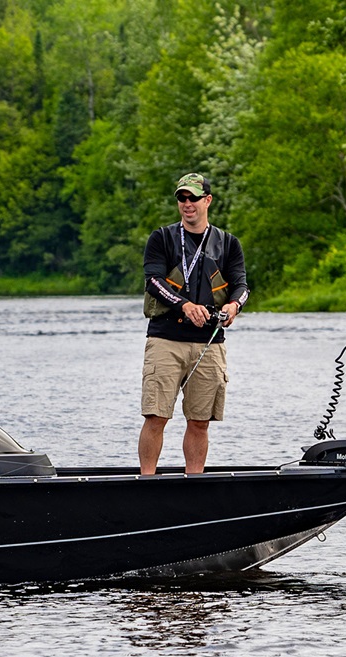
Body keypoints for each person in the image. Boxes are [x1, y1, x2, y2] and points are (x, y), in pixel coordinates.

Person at [138, 172, 249, 475]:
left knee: (200, 421)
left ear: (207, 201)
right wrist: (184, 305)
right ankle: (146, 480)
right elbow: (153, 281)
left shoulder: (228, 244)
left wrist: (233, 305)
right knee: (156, 416)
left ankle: (194, 481)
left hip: (209, 342)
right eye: (182, 198)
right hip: (165, 339)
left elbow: (242, 285)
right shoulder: (161, 238)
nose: (187, 204)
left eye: (193, 198)